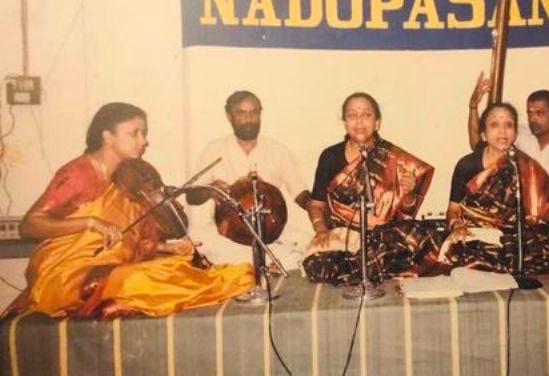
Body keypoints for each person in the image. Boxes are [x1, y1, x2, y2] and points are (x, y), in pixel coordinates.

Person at [7, 103, 252, 318]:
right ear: (108, 136)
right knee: (142, 280)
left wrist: (165, 247)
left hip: (108, 267)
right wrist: (91, 222)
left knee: (177, 266)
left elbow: (123, 240)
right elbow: (29, 225)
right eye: (134, 133)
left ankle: (229, 279)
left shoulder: (128, 179)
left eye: (143, 133)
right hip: (69, 274)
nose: (143, 141)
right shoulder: (78, 173)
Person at [302, 92, 439, 285]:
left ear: (377, 122)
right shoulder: (330, 156)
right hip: (343, 237)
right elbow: (316, 204)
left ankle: (367, 266)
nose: (359, 121)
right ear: (344, 122)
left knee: (426, 235)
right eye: (352, 115)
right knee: (316, 265)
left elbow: (405, 215)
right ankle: (375, 266)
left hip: (383, 237)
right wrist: (321, 230)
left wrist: (408, 195)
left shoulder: (394, 158)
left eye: (366, 114)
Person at [444, 102, 549, 275]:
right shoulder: (467, 164)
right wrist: (457, 226)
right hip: (472, 231)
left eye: (508, 125)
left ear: (515, 133)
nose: (502, 132)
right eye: (495, 125)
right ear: (484, 135)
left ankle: (496, 260)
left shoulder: (527, 167)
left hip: (512, 235)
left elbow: (542, 217)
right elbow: (453, 210)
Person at [468, 72, 549, 243]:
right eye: (530, 113)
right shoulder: (520, 135)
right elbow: (478, 144)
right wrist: (473, 107)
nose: (533, 119)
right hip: (522, 218)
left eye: (540, 113)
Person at [187, 90, 311, 271]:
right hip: (227, 233)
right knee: (198, 239)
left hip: (270, 231)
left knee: (306, 238)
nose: (249, 119)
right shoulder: (214, 150)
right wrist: (209, 190)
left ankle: (251, 263)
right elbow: (191, 197)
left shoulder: (277, 151)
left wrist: (321, 213)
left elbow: (300, 193)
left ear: (260, 114)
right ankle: (268, 262)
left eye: (254, 112)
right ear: (229, 116)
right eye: (241, 113)